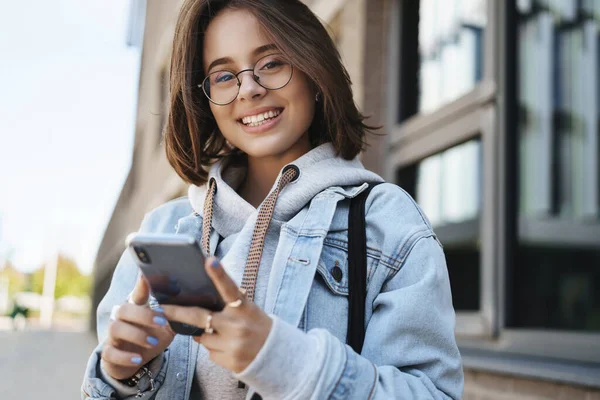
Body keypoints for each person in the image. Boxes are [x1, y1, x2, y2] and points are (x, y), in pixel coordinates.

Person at [81, 0, 463, 398]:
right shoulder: (164, 228)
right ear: (208, 101)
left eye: (272, 63)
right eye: (225, 75)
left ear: (313, 72)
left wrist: (281, 359)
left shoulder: (386, 222)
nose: (249, 88)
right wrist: (121, 375)